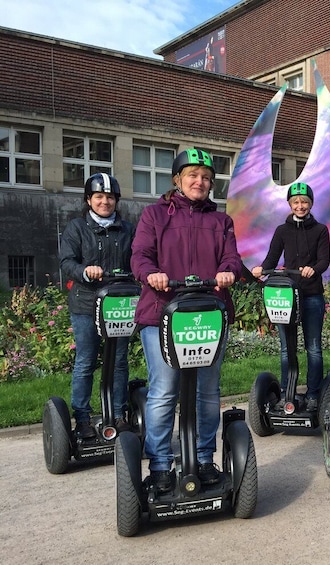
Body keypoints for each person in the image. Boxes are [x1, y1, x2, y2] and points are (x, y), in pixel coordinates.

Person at [131, 148, 242, 492]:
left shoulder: (221, 220)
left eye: (207, 177)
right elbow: (140, 256)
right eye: (193, 175)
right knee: (164, 391)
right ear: (178, 179)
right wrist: (152, 275)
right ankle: (162, 464)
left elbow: (232, 259)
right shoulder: (154, 215)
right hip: (162, 313)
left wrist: (227, 273)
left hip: (208, 315)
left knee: (208, 393)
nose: (200, 181)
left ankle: (205, 458)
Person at [59, 173, 135, 439]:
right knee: (86, 361)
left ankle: (117, 414)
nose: (105, 202)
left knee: (119, 361)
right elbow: (67, 262)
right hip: (86, 304)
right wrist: (84, 270)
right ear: (89, 200)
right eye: (99, 197)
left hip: (119, 305)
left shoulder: (127, 229)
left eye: (110, 197)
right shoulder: (77, 228)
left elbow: (138, 259)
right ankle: (82, 418)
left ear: (116, 200)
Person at [251, 182, 330, 413]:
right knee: (287, 348)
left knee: (313, 347)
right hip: (286, 296)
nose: (300, 205)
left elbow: (324, 260)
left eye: (304, 201)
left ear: (311, 203)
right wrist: (262, 269)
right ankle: (288, 391)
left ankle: (314, 394)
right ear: (289, 204)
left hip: (312, 295)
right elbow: (272, 258)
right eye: (295, 202)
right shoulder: (282, 231)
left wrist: (313, 269)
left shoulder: (320, 230)